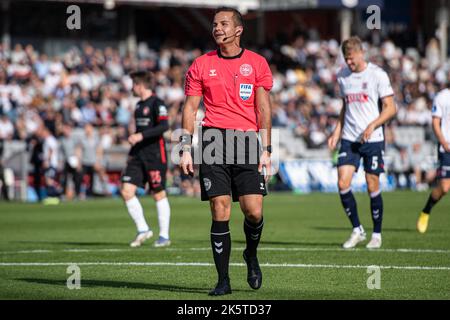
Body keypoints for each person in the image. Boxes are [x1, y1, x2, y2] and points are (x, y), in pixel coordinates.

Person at [180, 7, 273, 296]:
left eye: (223, 24)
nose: (217, 28)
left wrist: (267, 147)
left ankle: (251, 255)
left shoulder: (257, 64)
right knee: (219, 209)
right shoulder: (199, 65)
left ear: (238, 29)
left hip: (246, 141)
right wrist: (184, 148)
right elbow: (190, 108)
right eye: (214, 24)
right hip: (212, 141)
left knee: (253, 212)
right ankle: (223, 281)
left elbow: (263, 108)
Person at [328, 36, 397, 249]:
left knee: (372, 184)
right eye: (346, 59)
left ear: (361, 53)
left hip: (372, 138)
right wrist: (336, 132)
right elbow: (345, 107)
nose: (349, 63)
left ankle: (376, 235)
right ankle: (357, 229)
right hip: (349, 138)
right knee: (342, 183)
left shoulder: (377, 75)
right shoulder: (343, 76)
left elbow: (391, 108)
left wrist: (373, 125)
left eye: (351, 58)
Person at [120, 70, 172, 248]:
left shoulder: (157, 103)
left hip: (154, 155)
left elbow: (164, 126)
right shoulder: (138, 105)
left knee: (158, 193)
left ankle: (164, 236)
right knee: (126, 191)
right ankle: (143, 229)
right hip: (137, 154)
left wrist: (140, 136)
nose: (132, 87)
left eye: (134, 84)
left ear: (140, 85)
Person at [417, 88, 450, 233]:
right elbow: (435, 122)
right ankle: (426, 211)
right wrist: (443, 142)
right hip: (447, 147)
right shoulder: (443, 96)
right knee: (444, 188)